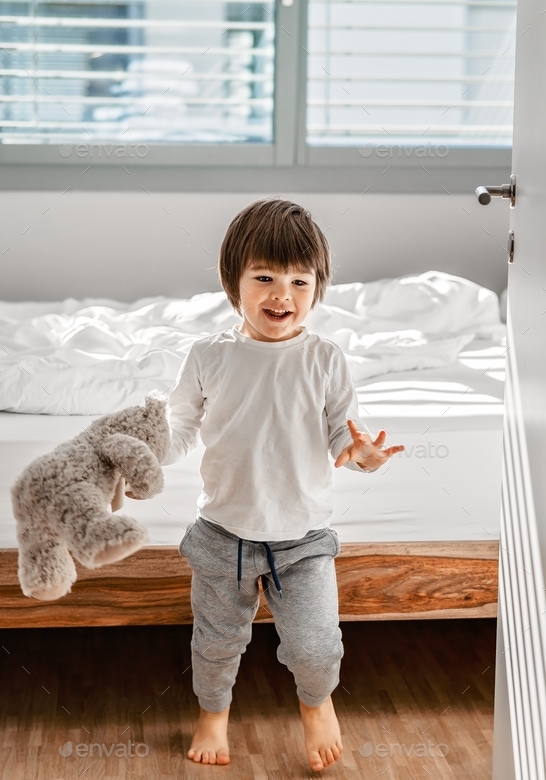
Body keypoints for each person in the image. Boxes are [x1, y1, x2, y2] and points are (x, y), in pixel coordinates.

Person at [161, 198, 404, 771]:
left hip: (303, 539)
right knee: (217, 642)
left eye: (299, 281)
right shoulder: (208, 356)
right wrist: (145, 450)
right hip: (223, 534)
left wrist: (365, 457)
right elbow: (178, 428)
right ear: (233, 282)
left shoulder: (324, 359)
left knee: (317, 646)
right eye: (264, 277)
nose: (282, 295)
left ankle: (316, 704)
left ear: (317, 287)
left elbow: (347, 440)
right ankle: (212, 715)